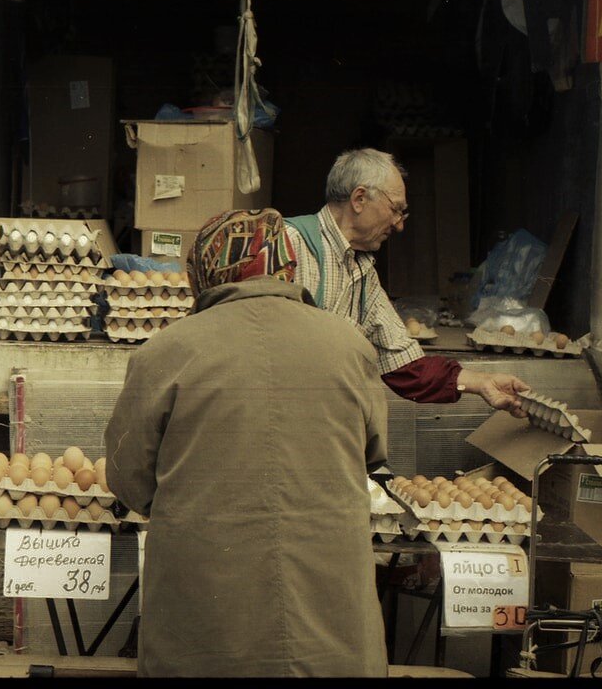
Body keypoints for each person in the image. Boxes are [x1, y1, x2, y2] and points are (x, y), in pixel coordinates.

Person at [105, 209, 389, 677]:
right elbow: (374, 452)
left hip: (206, 627)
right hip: (328, 623)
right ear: (288, 265)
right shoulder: (349, 345)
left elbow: (129, 479)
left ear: (205, 273)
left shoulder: (164, 351)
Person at [284, 147, 530, 413]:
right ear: (359, 199)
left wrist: (482, 382)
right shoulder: (287, 245)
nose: (399, 224)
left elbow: (404, 364)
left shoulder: (363, 272)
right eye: (396, 210)